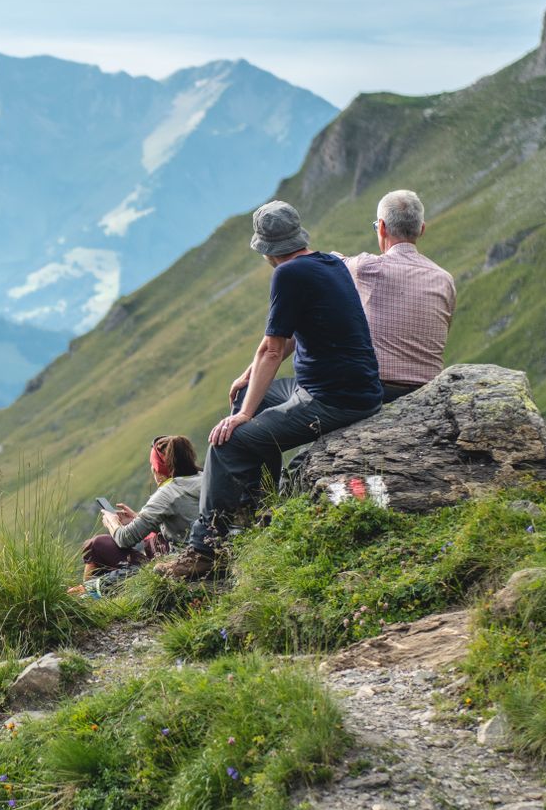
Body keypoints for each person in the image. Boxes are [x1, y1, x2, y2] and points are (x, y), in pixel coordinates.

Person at [157, 200, 382, 581]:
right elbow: (289, 336)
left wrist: (245, 414)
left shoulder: (289, 274)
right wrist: (248, 379)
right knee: (245, 398)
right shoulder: (330, 264)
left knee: (228, 441)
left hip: (331, 399)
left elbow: (273, 348)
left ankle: (204, 549)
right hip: (346, 385)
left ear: (265, 249)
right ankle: (255, 507)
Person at [345, 189, 456, 401]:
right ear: (421, 229)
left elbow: (331, 262)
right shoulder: (445, 279)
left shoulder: (367, 267)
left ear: (382, 227)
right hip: (428, 393)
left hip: (378, 390)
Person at [81, 434, 202, 576]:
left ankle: (87, 593)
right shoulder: (204, 477)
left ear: (158, 469)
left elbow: (124, 539)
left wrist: (112, 522)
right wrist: (137, 518)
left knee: (96, 544)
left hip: (180, 563)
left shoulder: (168, 493)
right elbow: (186, 520)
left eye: (152, 465)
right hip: (209, 554)